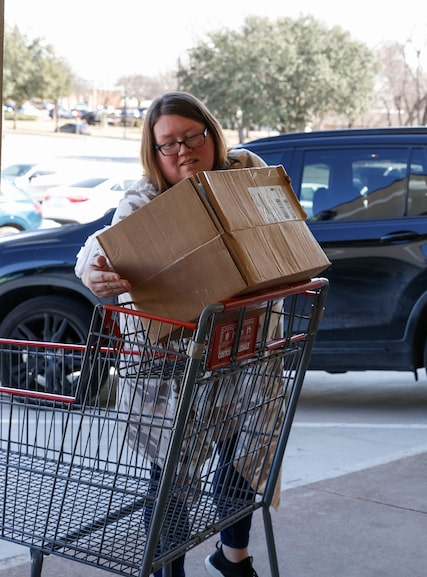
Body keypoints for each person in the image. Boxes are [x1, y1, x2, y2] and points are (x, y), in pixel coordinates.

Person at [75, 91, 269, 577]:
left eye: (192, 136)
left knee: (243, 456)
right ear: (153, 153)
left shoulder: (243, 173)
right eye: (168, 144)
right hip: (167, 367)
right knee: (171, 476)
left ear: (211, 134)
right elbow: (96, 250)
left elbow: (280, 220)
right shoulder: (143, 201)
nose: (182, 150)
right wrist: (93, 272)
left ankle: (233, 557)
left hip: (238, 351)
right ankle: (169, 569)